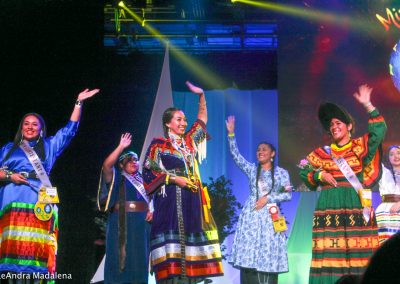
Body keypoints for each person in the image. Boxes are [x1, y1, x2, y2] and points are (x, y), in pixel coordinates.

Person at [0, 88, 99, 277]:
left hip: (39, 197)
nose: (30, 127)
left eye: (34, 124)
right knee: (13, 245)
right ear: (21, 128)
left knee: (37, 244)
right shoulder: (8, 149)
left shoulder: (49, 145)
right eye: (26, 124)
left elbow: (70, 129)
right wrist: (8, 176)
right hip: (12, 197)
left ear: (41, 129)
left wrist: (78, 102)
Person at [298, 84, 387, 284]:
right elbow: (304, 169)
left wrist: (368, 105)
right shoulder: (322, 153)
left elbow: (379, 132)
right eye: (331, 125)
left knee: (358, 249)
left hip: (356, 205)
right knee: (331, 251)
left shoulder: (360, 146)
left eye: (338, 123)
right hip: (330, 208)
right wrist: (320, 176)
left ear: (349, 126)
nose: (334, 127)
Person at [142, 81, 223, 283]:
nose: (183, 123)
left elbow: (202, 119)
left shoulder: (189, 142)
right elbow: (148, 170)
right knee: (171, 239)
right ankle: (172, 277)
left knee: (191, 234)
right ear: (168, 123)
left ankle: (190, 277)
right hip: (169, 198)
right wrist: (173, 179)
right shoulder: (158, 145)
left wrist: (202, 95)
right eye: (179, 119)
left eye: (185, 120)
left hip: (191, 197)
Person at [225, 115, 292, 284]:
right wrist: (231, 135)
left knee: (268, 252)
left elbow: (287, 195)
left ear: (272, 154)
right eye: (258, 150)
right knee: (251, 253)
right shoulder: (252, 169)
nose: (260, 152)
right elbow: (236, 156)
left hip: (272, 215)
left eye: (264, 149)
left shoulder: (281, 173)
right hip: (252, 214)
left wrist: (268, 197)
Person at [97, 133, 152, 284]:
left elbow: (157, 200)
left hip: (141, 223)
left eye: (136, 159)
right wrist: (121, 146)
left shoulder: (146, 181)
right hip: (120, 222)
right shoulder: (117, 178)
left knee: (140, 258)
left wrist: (153, 211)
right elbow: (106, 165)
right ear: (121, 165)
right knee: (119, 256)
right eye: (129, 160)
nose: (134, 162)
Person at [376, 145, 400, 244]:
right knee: (385, 243)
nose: (395, 156)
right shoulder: (383, 172)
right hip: (384, 212)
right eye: (391, 154)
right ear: (388, 157)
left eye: (398, 153)